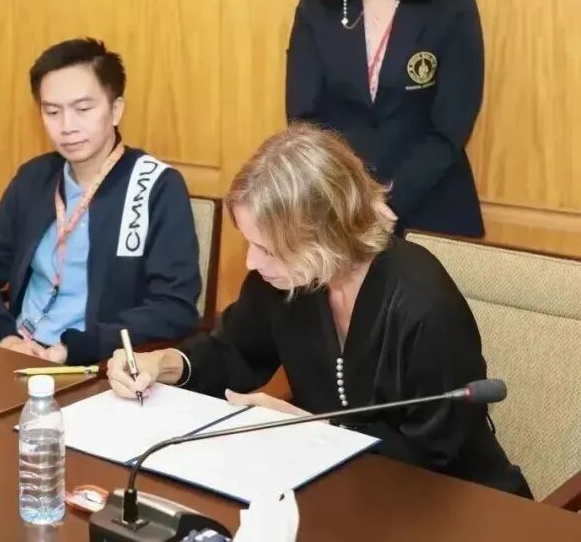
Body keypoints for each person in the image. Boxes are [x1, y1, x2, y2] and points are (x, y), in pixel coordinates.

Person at [106, 123, 531, 497]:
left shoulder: (423, 303)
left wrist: (316, 431)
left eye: (268, 249)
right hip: (345, 493)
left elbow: (433, 455)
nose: (252, 262)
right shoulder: (285, 282)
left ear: (325, 236)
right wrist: (163, 364)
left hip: (459, 505)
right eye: (250, 243)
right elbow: (232, 351)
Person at [0, 38, 201, 365]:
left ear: (116, 109)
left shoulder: (154, 186)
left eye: (83, 109)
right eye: (52, 112)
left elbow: (174, 307)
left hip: (93, 365)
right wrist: (5, 337)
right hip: (16, 354)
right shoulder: (35, 178)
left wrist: (77, 348)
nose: (67, 127)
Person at [286, 0, 484, 237]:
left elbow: (450, 127)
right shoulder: (316, 9)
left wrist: (388, 202)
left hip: (431, 208)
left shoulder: (452, 8)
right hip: (339, 213)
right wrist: (354, 202)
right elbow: (304, 120)